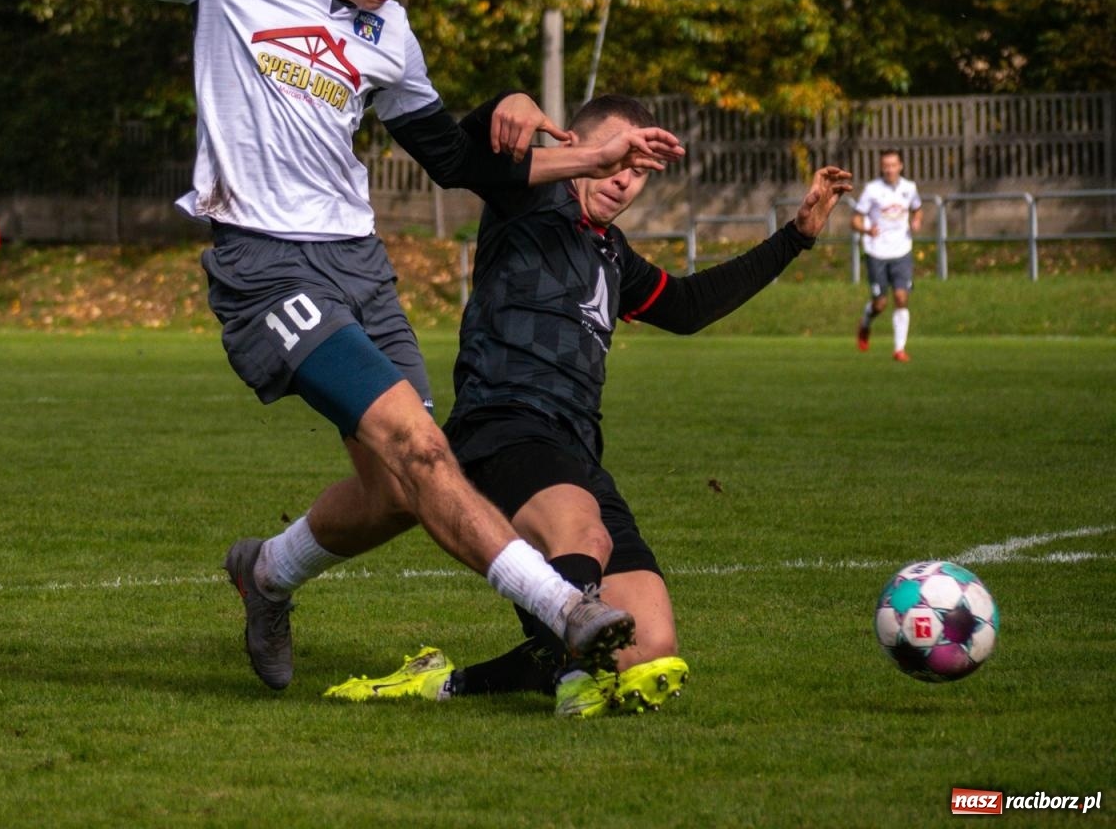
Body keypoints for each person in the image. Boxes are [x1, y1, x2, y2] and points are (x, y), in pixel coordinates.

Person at [0, 0, 686, 688]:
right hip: (268, 264)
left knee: (394, 495)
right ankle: (568, 611)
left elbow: (461, 165)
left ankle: (265, 573)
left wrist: (587, 156)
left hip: (358, 265)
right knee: (425, 451)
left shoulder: (392, 37)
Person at [321, 94, 851, 717]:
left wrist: (795, 238)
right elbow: (463, 155)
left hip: (575, 448)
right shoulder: (527, 201)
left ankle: (457, 680)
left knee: (650, 649)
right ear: (579, 149)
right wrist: (505, 104)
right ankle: (574, 674)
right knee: (584, 536)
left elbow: (685, 308)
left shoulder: (612, 252)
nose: (624, 180)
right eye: (618, 161)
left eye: (639, 171)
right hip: (502, 427)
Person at [852, 148, 922, 362]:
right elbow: (855, 219)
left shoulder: (909, 188)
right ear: (881, 167)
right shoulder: (872, 190)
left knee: (901, 297)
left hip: (902, 250)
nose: (890, 169)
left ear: (900, 165)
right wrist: (866, 230)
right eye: (886, 166)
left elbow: (918, 208)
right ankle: (865, 323)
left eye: (893, 165)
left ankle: (899, 349)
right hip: (877, 252)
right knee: (880, 303)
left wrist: (917, 220)